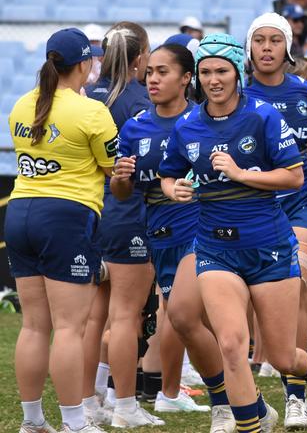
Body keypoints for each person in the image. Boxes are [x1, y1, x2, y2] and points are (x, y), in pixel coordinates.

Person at [158, 33, 307, 433]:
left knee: (283, 356)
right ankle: (250, 425)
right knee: (233, 345)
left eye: (221, 70)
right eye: (205, 72)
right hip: (214, 248)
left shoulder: (262, 116)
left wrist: (239, 173)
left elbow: (293, 177)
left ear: (237, 72)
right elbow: (169, 176)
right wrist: (176, 189)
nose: (213, 79)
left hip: (268, 246)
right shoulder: (187, 125)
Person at [109, 44, 236, 429]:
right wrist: (118, 178)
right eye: (149, 72)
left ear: (186, 79)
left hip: (203, 229)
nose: (153, 79)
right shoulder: (134, 127)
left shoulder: (204, 119)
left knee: (189, 315)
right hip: (159, 235)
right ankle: (229, 398)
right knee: (187, 322)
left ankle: (227, 403)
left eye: (163, 72)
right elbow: (123, 192)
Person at [7, 28, 117, 433]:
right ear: (85, 64)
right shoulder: (92, 112)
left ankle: (32, 421)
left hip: (20, 213)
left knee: (35, 324)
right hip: (66, 216)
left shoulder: (21, 104)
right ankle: (75, 423)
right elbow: (112, 168)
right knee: (70, 327)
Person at [244, 13, 307, 430]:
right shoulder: (236, 93)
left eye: (274, 40)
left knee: (292, 285)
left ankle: (295, 396)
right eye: (258, 40)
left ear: (288, 47)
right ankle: (264, 389)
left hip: (302, 201)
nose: (266, 47)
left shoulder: (304, 90)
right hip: (254, 207)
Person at [84, 22, 163, 427]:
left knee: (95, 316)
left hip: (93, 211)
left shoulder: (89, 93)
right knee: (126, 316)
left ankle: (89, 400)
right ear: (139, 58)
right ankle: (125, 407)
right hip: (128, 212)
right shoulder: (136, 101)